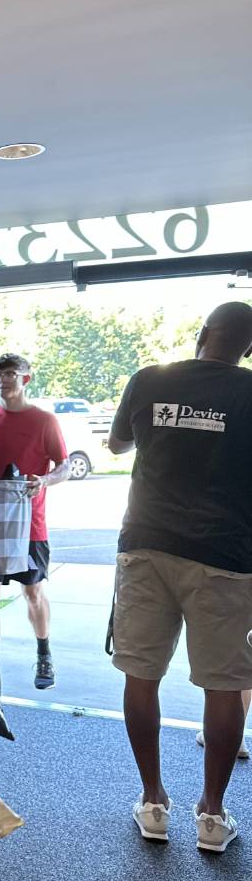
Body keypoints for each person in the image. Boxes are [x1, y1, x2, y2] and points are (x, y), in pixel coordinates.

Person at [107, 301, 252, 852]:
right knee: (224, 685)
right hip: (228, 554)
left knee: (141, 676)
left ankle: (153, 802)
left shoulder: (149, 381)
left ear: (201, 335)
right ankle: (212, 816)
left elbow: (119, 444)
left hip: (146, 546)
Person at [0, 353, 70, 691]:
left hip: (30, 526)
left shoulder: (44, 421)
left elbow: (65, 466)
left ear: (26, 379)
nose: (4, 380)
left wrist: (44, 481)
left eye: (11, 374)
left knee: (33, 591)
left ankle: (44, 652)